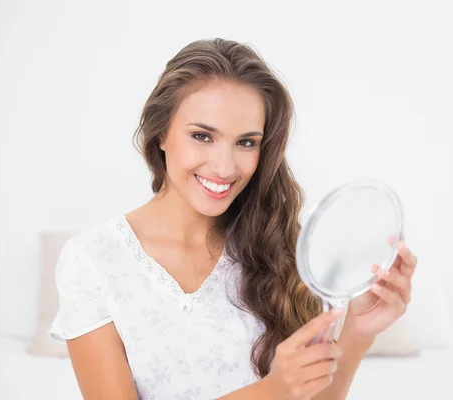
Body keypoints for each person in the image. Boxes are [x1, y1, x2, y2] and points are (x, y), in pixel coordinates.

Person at [49, 38, 418, 400]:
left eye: (246, 142)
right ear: (160, 132)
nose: (225, 168)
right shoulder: (93, 260)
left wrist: (357, 332)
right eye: (202, 136)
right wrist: (273, 390)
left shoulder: (277, 246)